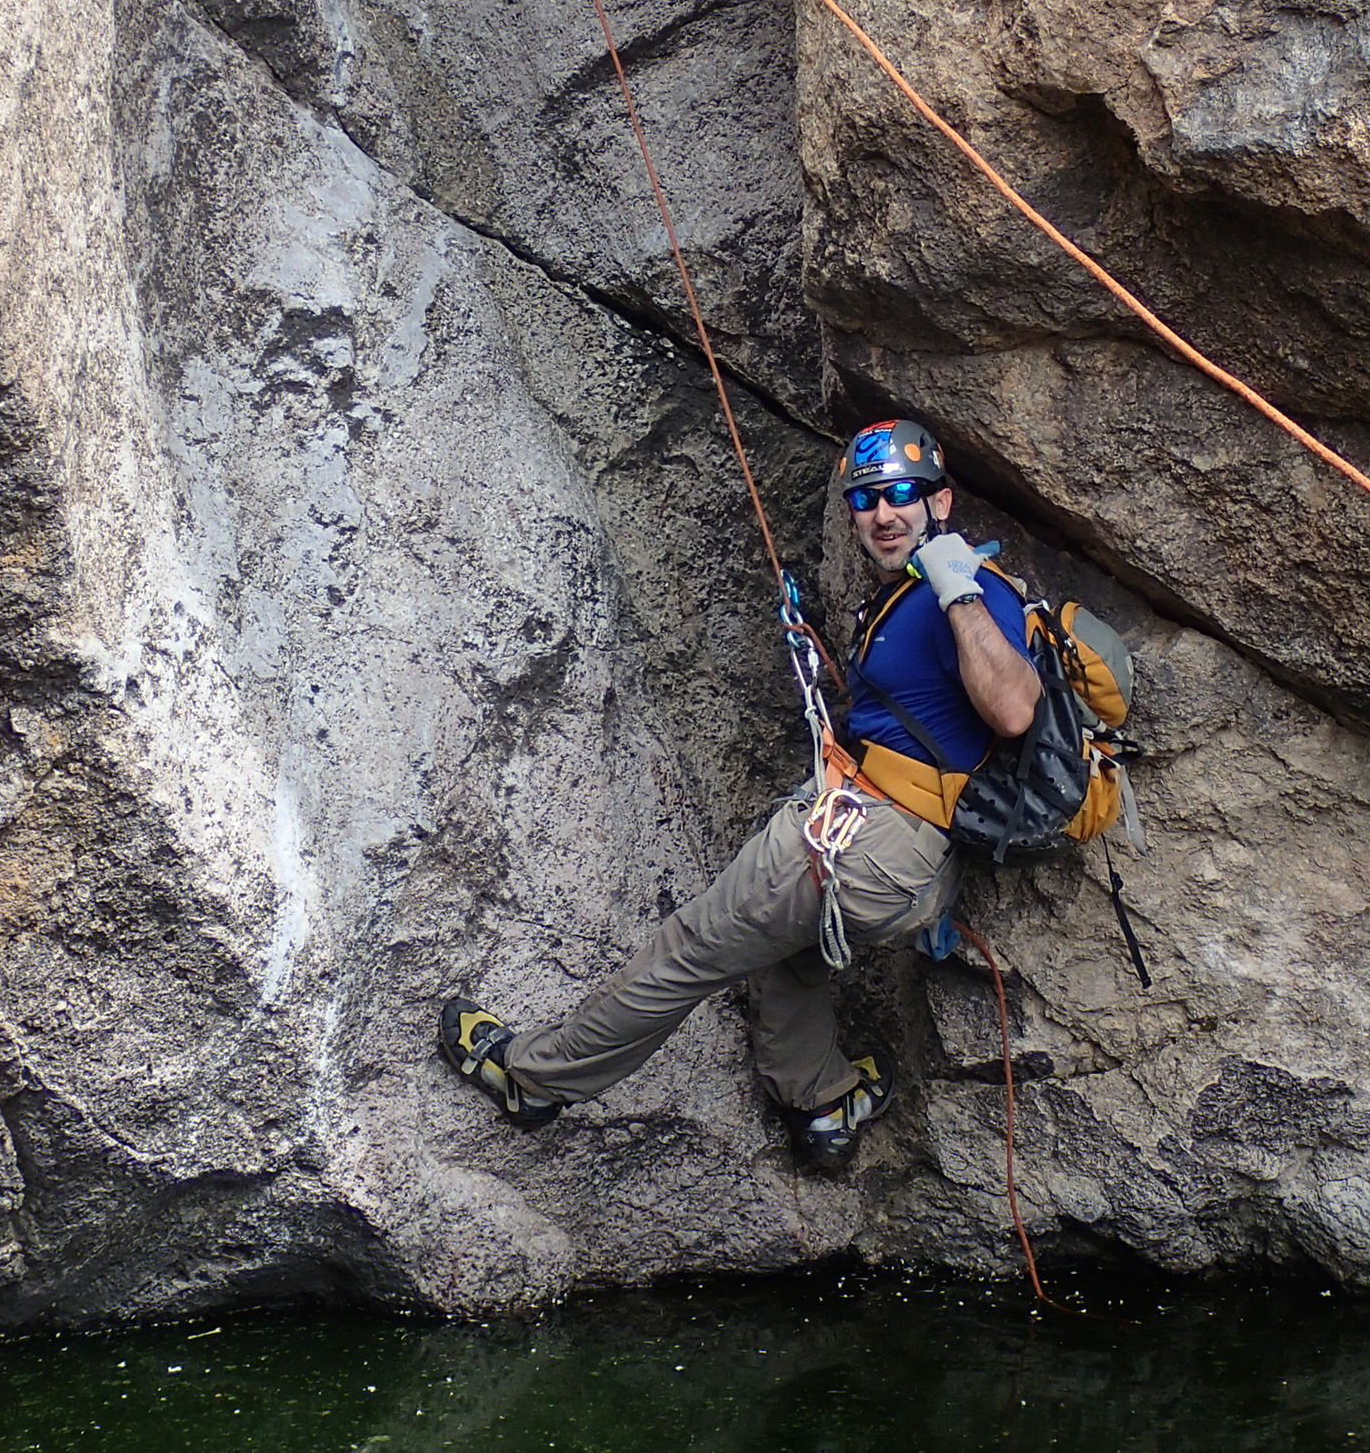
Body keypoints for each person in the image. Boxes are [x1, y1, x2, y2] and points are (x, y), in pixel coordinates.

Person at [439, 416, 1039, 1167]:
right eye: (868, 498)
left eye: (904, 495)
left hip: (866, 846)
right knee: (790, 952)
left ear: (939, 503)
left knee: (689, 950)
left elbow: (1014, 708)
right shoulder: (903, 597)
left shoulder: (969, 590)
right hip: (904, 865)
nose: (885, 514)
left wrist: (959, 590)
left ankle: (530, 1077)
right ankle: (823, 1102)